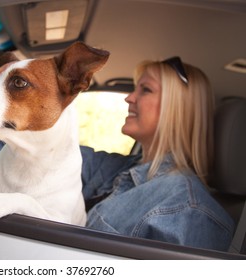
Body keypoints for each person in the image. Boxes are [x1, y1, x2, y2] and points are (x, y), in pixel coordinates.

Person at [81, 57, 234, 251]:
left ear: (178, 107)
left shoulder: (187, 210)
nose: (129, 98)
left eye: (146, 89)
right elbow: (64, 158)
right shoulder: (123, 168)